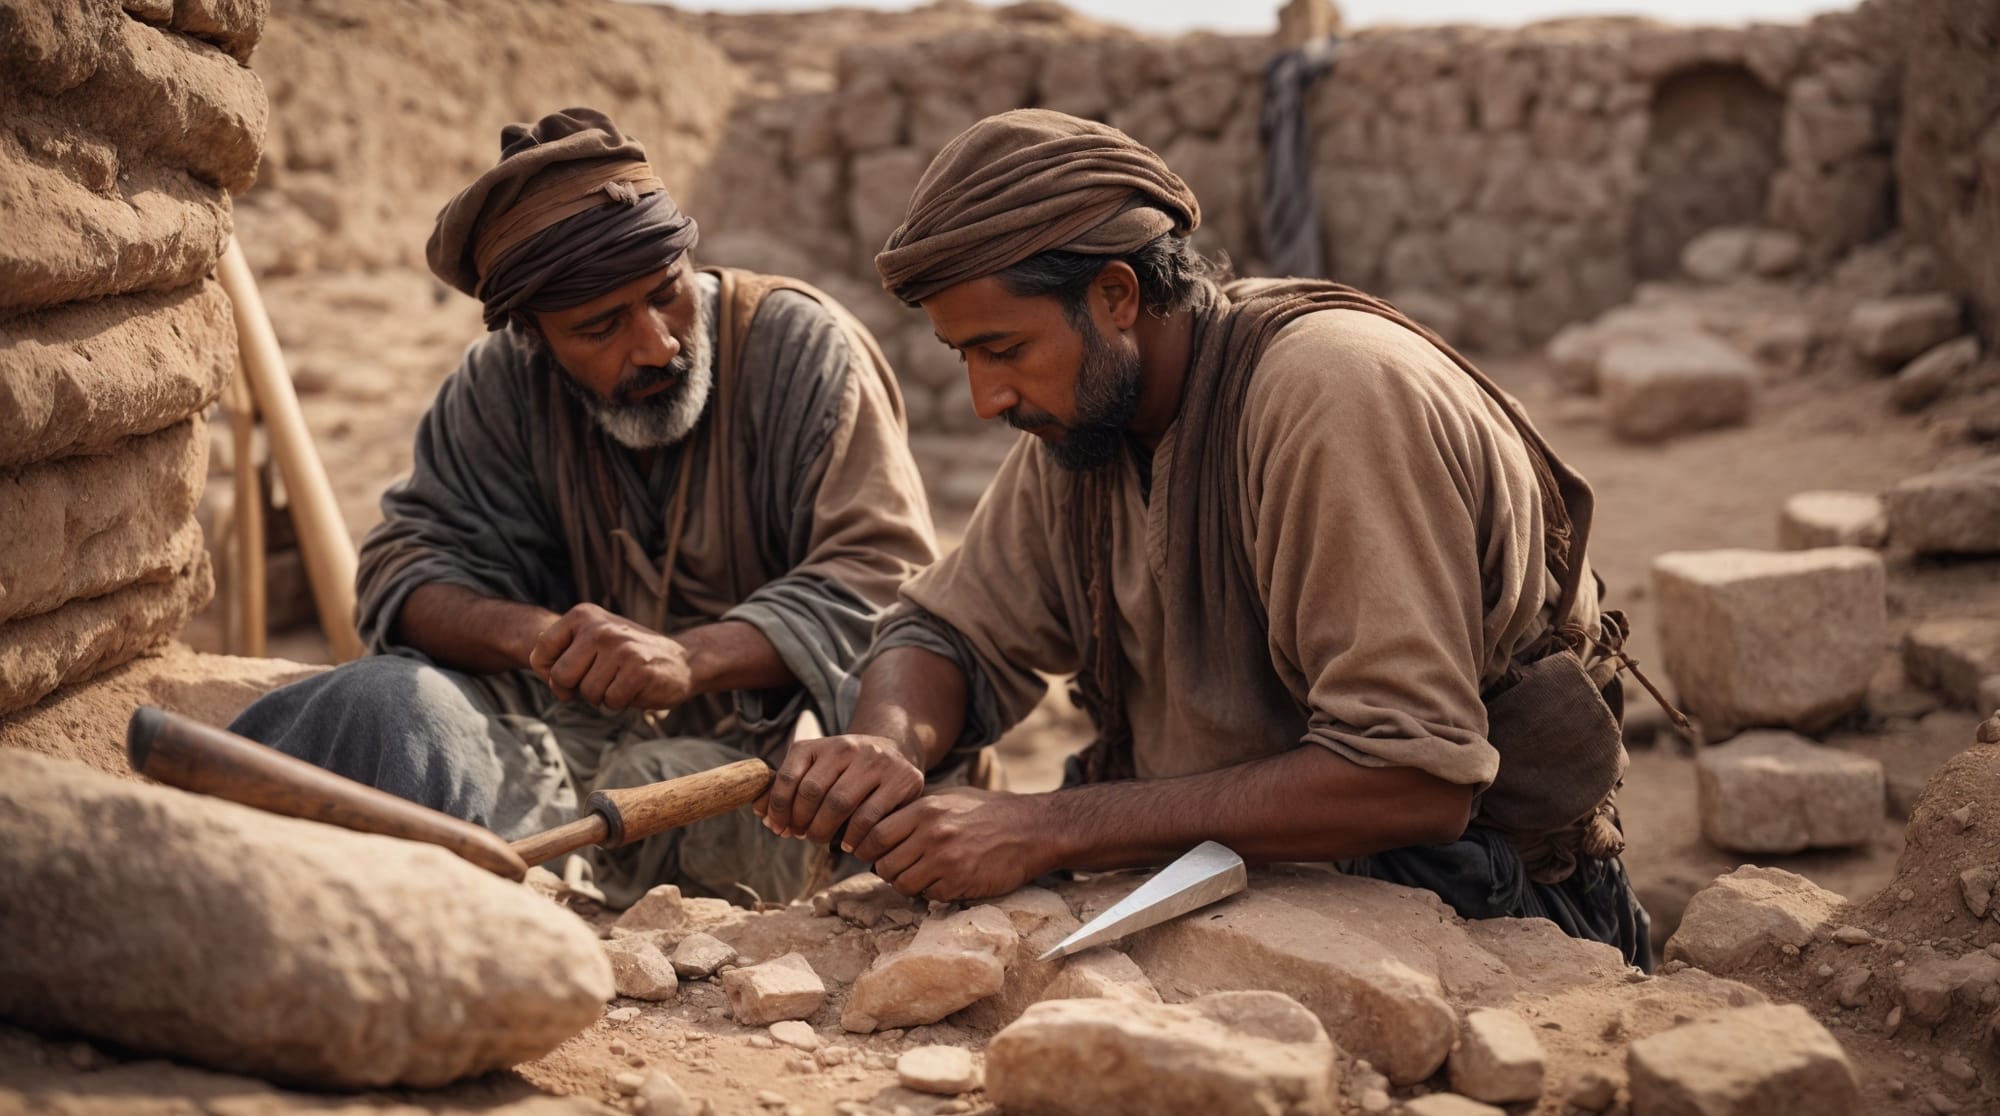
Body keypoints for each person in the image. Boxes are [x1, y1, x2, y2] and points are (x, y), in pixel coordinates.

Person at [755, 109, 1650, 966]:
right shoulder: (1088, 423)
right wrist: (886, 742)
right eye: (966, 358)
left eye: (1003, 349)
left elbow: (1411, 776)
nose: (988, 399)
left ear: (1114, 295)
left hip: (1469, 895)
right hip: (1211, 875)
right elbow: (947, 632)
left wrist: (1045, 826)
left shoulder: (1330, 396)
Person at [230, 108, 940, 909]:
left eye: (666, 294)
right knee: (382, 707)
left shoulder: (800, 347)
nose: (657, 345)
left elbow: (886, 579)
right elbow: (406, 571)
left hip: (764, 767)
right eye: (600, 328)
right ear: (535, 338)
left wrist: (688, 659)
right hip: (557, 747)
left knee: (690, 800)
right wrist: (541, 639)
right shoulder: (498, 385)